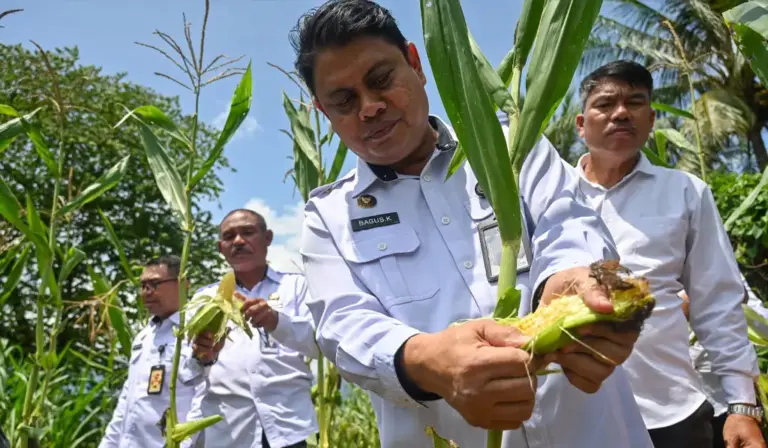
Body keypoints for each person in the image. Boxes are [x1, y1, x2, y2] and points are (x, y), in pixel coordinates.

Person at [292, 1, 652, 447]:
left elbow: (570, 221)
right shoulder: (327, 217)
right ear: (324, 114)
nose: (369, 108)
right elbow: (343, 325)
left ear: (415, 64)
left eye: (381, 80)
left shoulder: (510, 143)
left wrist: (569, 285)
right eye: (343, 101)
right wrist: (427, 362)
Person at [571, 60, 764, 448]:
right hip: (571, 414)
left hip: (669, 409)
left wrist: (743, 405)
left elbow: (717, 302)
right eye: (606, 104)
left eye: (635, 102)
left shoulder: (686, 193)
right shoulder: (550, 195)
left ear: (652, 118)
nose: (621, 112)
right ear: (580, 123)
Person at [184, 209, 319, 448]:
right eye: (229, 236)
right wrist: (204, 356)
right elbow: (187, 370)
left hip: (288, 427)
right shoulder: (204, 298)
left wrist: (276, 321)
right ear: (220, 247)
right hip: (227, 430)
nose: (238, 241)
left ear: (267, 238)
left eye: (247, 232)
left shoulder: (296, 286)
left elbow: (318, 345)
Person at [99, 255, 206, 448]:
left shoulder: (198, 332)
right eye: (143, 285)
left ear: (183, 284)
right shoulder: (144, 336)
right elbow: (127, 400)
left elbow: (204, 396)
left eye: (155, 284)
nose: (146, 292)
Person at [683, 275, 768, 448]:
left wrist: (736, 300)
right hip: (673, 413)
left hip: (725, 404)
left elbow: (760, 323)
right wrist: (679, 309)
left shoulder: (718, 263)